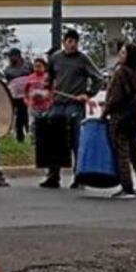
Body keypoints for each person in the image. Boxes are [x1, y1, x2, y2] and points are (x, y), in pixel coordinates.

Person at [42, 28, 103, 189]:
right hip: (58, 104)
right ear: (64, 42)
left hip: (75, 104)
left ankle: (79, 176)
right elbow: (48, 77)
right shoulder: (55, 58)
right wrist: (47, 87)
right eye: (70, 41)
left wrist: (88, 94)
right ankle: (53, 176)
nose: (73, 45)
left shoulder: (83, 59)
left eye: (75, 41)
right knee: (56, 141)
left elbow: (98, 79)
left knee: (77, 141)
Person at [106, 43, 136, 199]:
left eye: (124, 52)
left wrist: (105, 112)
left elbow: (114, 98)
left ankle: (127, 187)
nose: (120, 54)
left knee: (122, 153)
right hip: (135, 118)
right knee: (135, 153)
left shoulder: (120, 73)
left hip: (120, 117)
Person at [4, 48, 33, 143]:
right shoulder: (8, 70)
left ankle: (29, 131)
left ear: (18, 56)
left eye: (12, 56)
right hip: (15, 96)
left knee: (26, 115)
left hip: (28, 95)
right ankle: (20, 135)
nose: (11, 58)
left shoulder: (28, 66)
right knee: (19, 116)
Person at [23, 58, 53, 129]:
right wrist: (26, 99)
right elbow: (25, 90)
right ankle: (34, 139)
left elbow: (53, 89)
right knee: (33, 125)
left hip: (46, 106)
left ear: (44, 67)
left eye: (39, 66)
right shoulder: (30, 77)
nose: (37, 68)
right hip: (33, 106)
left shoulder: (48, 77)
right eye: (35, 66)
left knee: (46, 126)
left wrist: (51, 100)